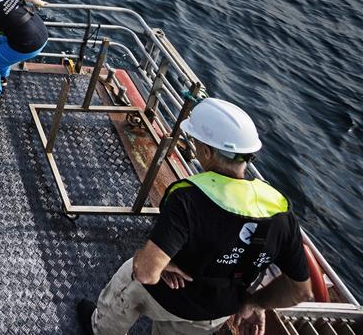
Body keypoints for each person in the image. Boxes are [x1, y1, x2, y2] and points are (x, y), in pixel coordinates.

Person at [78, 98, 312, 335]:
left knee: (130, 273)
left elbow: (146, 272)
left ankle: (100, 329)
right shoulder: (282, 212)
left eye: (196, 143)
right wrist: (255, 303)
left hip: (166, 296)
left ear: (207, 151)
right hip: (215, 312)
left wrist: (166, 264)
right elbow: (300, 291)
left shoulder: (188, 198)